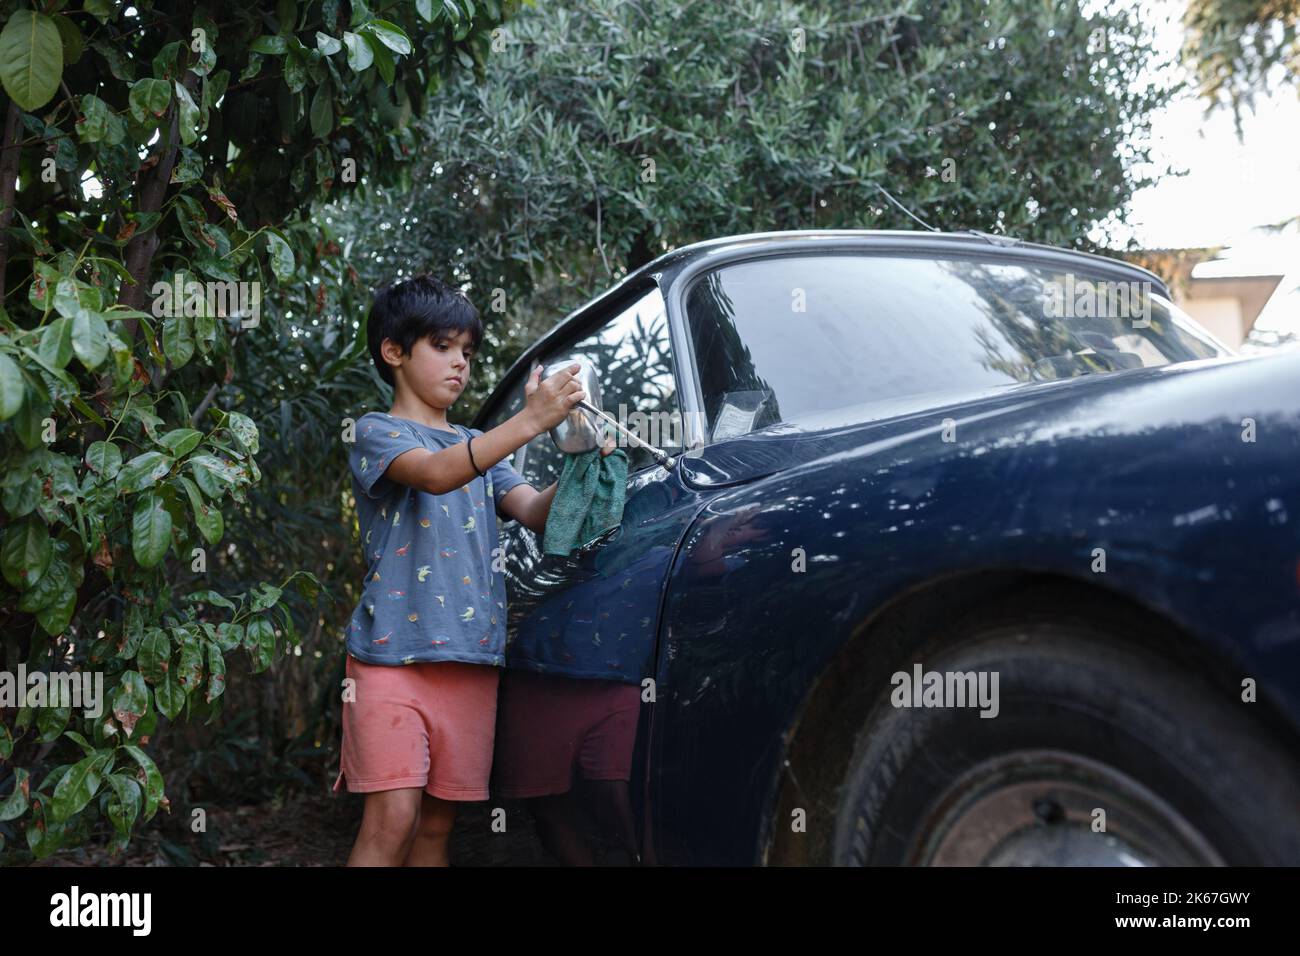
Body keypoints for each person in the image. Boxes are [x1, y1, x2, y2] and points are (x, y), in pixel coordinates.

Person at [333, 273, 613, 866]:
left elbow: (538, 512)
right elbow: (436, 474)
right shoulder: (374, 432)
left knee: (436, 829)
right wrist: (530, 421)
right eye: (442, 346)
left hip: (472, 661)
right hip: (390, 658)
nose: (460, 363)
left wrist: (580, 452)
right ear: (394, 352)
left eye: (467, 351)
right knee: (393, 819)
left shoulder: (478, 444)